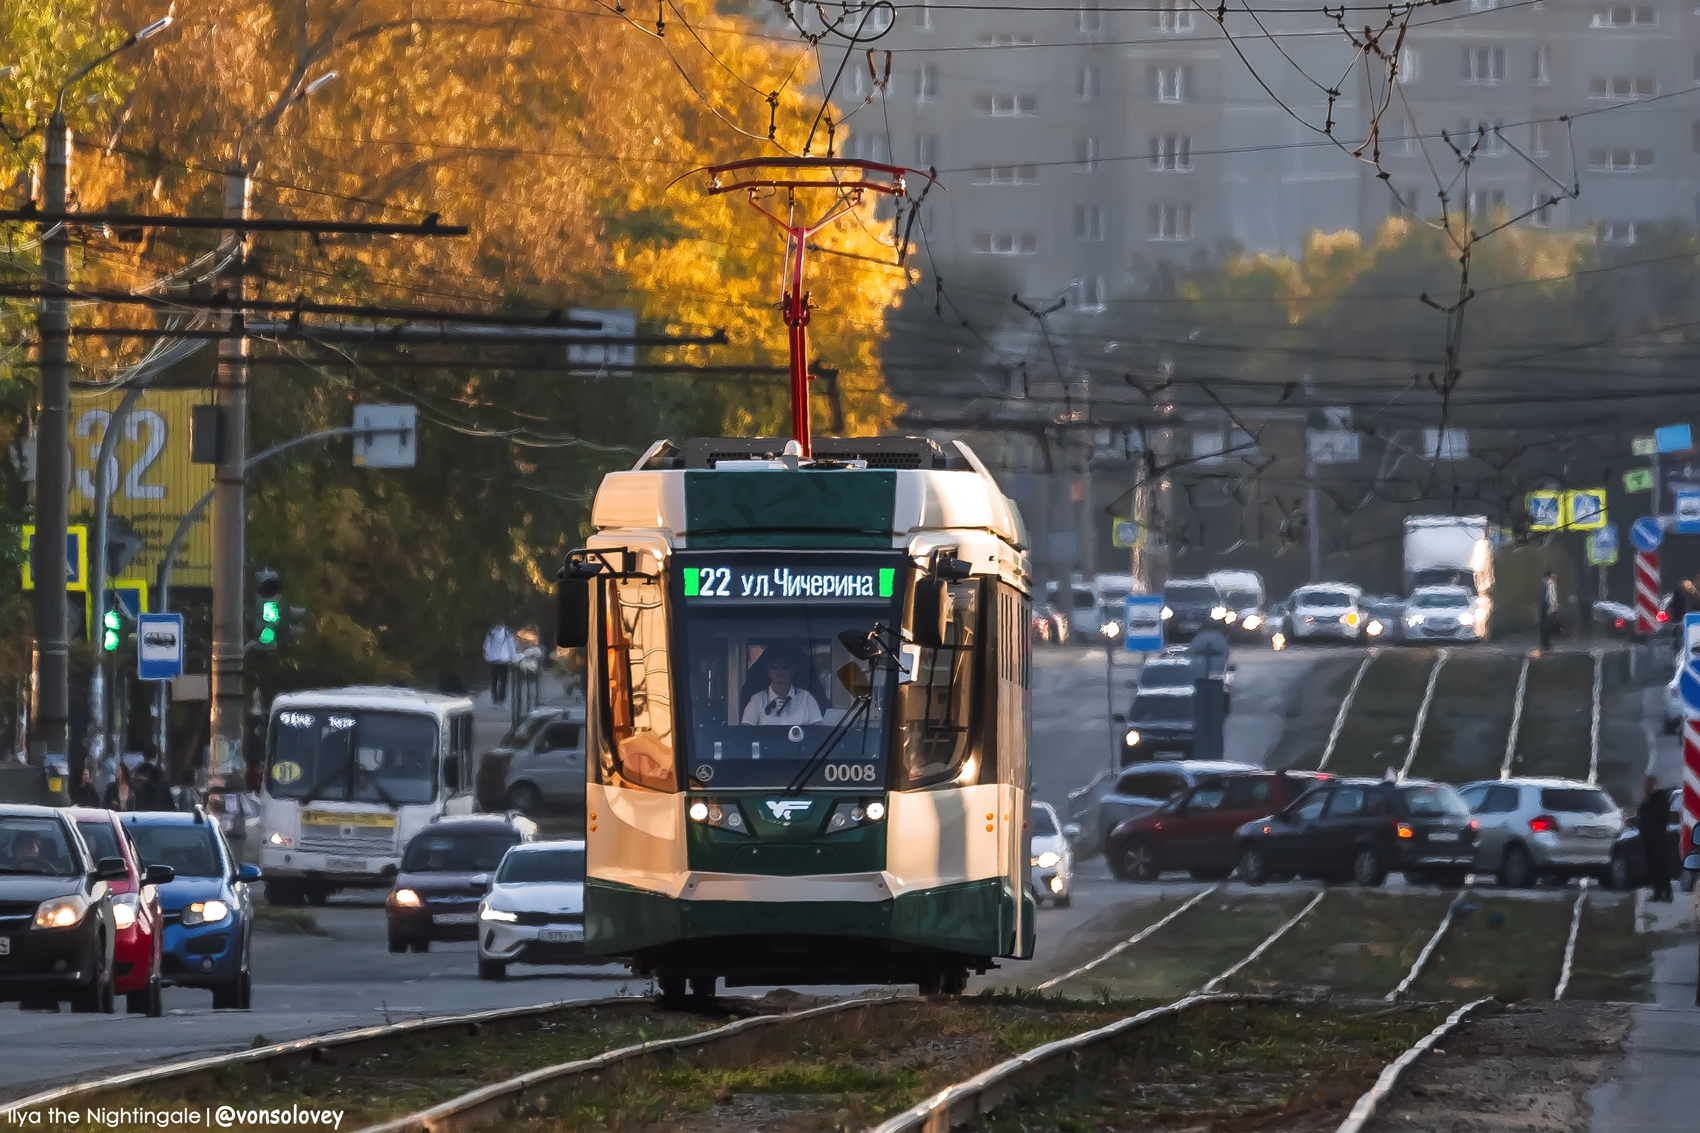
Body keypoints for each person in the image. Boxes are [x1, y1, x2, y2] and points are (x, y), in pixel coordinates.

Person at [741, 649, 824, 726]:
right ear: (768, 671)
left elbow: (817, 729)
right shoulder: (758, 699)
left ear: (792, 670)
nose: (779, 671)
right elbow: (746, 731)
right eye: (774, 667)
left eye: (784, 667)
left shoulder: (806, 697)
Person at [1637, 776, 1674, 903]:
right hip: (1648, 837)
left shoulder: (1661, 797)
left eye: (1653, 784)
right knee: (1651, 865)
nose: (1651, 787)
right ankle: (1657, 891)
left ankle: (1667, 891)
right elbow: (1640, 812)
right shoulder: (1648, 800)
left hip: (1658, 837)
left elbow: (1662, 815)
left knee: (1661, 865)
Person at [483, 622, 517, 705]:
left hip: (494, 660)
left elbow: (486, 646)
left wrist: (488, 657)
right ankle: (502, 696)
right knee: (504, 679)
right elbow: (511, 645)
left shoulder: (490, 633)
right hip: (504, 659)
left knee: (494, 679)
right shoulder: (506, 633)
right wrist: (513, 656)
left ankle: (494, 696)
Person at [1537, 571, 1558, 652]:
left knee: (1544, 626)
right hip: (1546, 607)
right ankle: (1546, 644)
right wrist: (1552, 606)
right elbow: (1550, 596)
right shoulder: (1549, 584)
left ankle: (1545, 643)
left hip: (1544, 607)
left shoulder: (1545, 584)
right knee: (1546, 626)